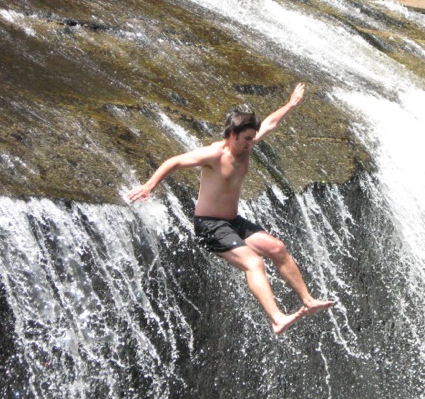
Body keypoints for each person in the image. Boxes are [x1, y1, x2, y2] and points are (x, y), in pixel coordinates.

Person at [127, 83, 333, 334]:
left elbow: (270, 123)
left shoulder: (248, 144)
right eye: (246, 139)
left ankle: (308, 301)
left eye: (252, 139)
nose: (250, 144)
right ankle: (277, 318)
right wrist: (150, 185)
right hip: (209, 225)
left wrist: (290, 104)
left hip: (233, 221)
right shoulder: (214, 154)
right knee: (254, 263)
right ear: (232, 135)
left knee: (277, 248)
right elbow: (175, 161)